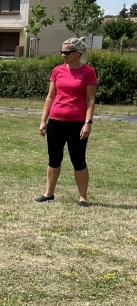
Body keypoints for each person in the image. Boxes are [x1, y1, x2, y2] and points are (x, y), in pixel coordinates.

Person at [36, 37, 97, 207]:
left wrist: (88, 123)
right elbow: (50, 97)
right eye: (61, 51)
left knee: (78, 160)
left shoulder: (88, 72)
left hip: (77, 123)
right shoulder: (57, 71)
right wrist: (43, 120)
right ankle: (48, 194)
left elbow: (91, 100)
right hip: (56, 121)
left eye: (66, 52)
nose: (63, 55)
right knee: (54, 159)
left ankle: (82, 197)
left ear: (78, 54)